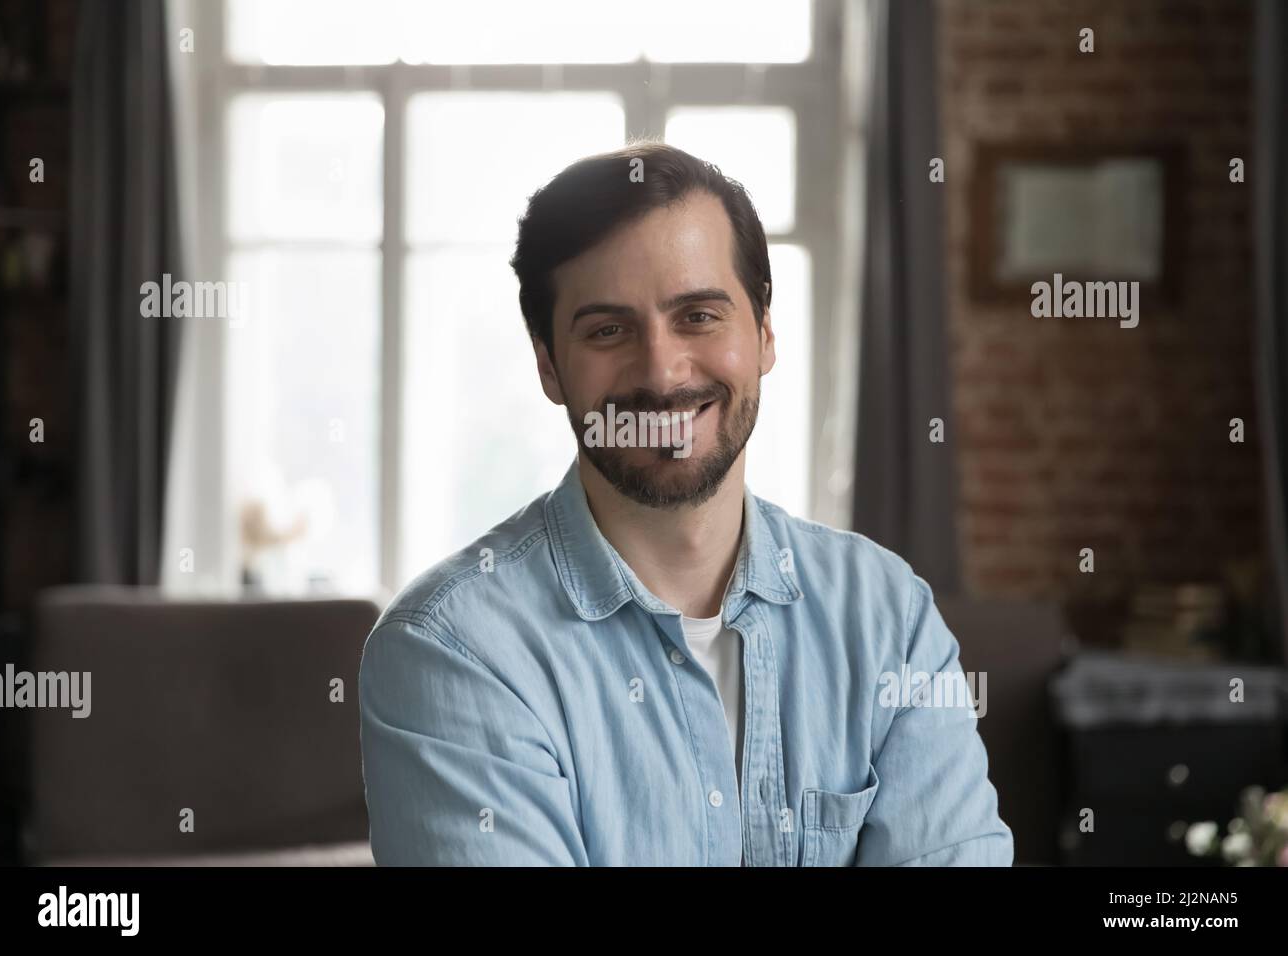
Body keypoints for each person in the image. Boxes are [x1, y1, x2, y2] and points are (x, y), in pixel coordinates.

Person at [359, 141, 1013, 866]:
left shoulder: (887, 615)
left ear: (763, 334)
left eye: (698, 316)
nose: (662, 372)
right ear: (548, 364)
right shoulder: (454, 650)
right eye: (608, 330)